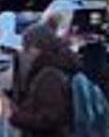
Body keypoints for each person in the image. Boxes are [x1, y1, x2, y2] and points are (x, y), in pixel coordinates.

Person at [11, 8, 80, 137]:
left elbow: (49, 118)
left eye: (27, 47)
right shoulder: (53, 69)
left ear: (39, 47)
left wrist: (16, 116)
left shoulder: (49, 76)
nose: (25, 52)